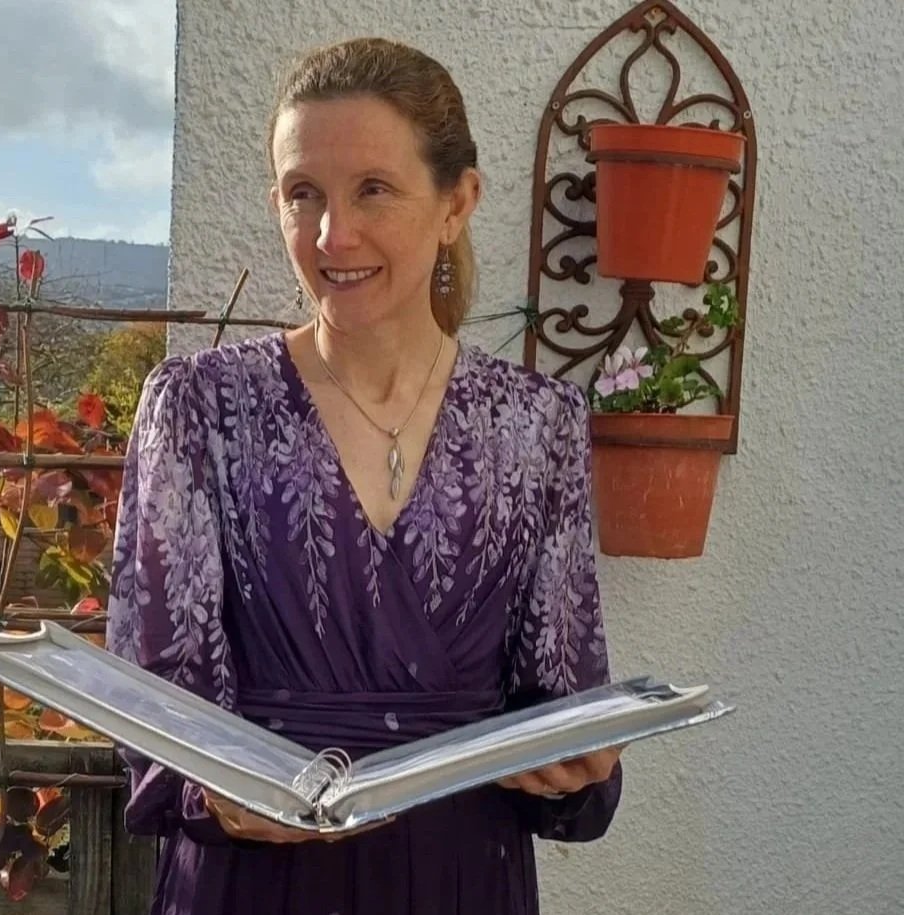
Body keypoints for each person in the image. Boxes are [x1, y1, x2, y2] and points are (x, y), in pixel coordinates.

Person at [106, 36, 623, 915]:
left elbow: (560, 697)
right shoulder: (198, 409)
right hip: (256, 884)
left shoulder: (539, 425)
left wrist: (579, 765)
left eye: (372, 191)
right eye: (302, 194)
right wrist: (208, 793)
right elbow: (157, 702)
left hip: (463, 877)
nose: (330, 236)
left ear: (458, 203)